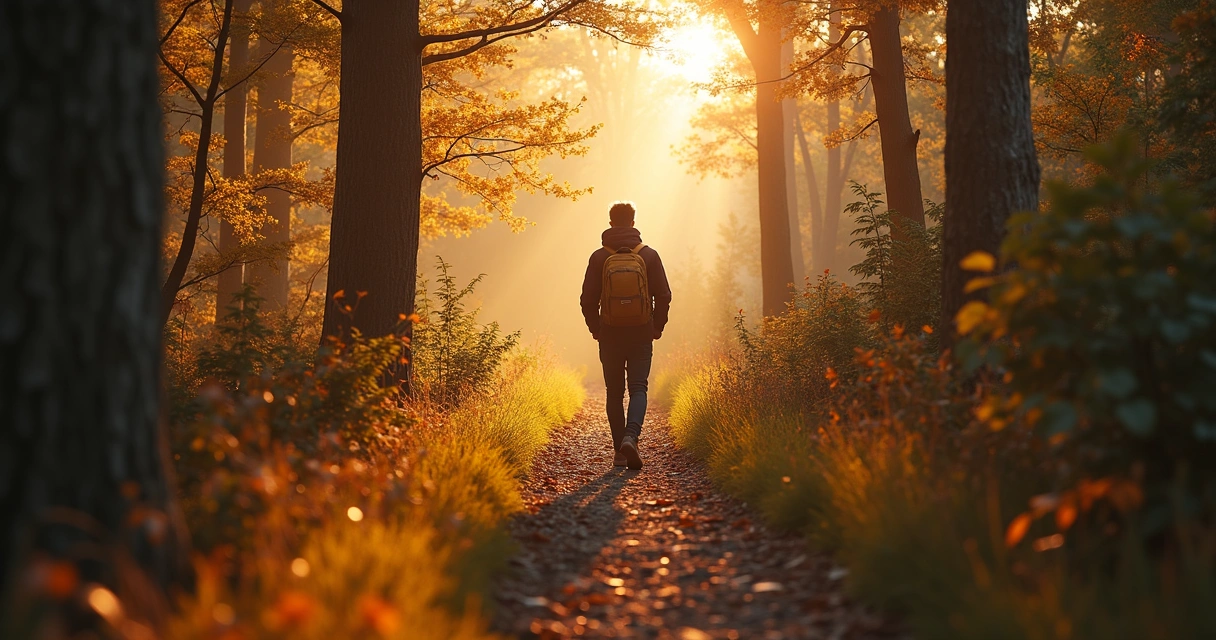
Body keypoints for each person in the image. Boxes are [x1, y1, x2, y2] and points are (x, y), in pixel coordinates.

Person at [580, 202, 672, 469]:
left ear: (610, 223)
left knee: (614, 392)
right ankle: (632, 436)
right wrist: (657, 327)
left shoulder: (599, 257)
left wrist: (595, 328)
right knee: (638, 388)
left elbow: (587, 299)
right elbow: (664, 295)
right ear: (633, 223)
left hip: (609, 334)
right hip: (642, 332)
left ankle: (619, 452)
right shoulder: (649, 255)